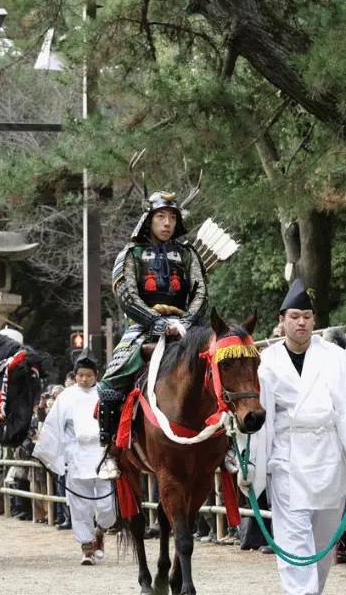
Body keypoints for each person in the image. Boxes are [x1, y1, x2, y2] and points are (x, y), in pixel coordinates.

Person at [237, 278, 346, 595]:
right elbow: (255, 417)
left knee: (323, 550)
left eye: (306, 316)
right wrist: (249, 462)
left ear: (314, 320)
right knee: (295, 550)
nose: (301, 322)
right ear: (282, 321)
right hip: (288, 460)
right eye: (294, 317)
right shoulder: (266, 363)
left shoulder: (336, 357)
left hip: (329, 459)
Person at [96, 191, 208, 479]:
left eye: (172, 217)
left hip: (187, 327)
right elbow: (126, 295)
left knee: (220, 367)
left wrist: (189, 320)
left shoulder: (187, 254)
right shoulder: (130, 254)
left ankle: (228, 445)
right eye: (161, 216)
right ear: (149, 219)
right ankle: (109, 450)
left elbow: (200, 292)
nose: (167, 223)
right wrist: (156, 322)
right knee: (111, 379)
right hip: (143, 327)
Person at [34, 349, 116, 564]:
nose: (84, 379)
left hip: (102, 454)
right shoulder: (66, 396)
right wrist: (45, 452)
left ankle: (100, 531)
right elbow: (53, 426)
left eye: (89, 375)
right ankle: (87, 547)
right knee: (80, 505)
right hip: (77, 454)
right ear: (75, 374)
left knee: (109, 505)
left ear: (96, 375)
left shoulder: (105, 393)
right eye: (80, 375)